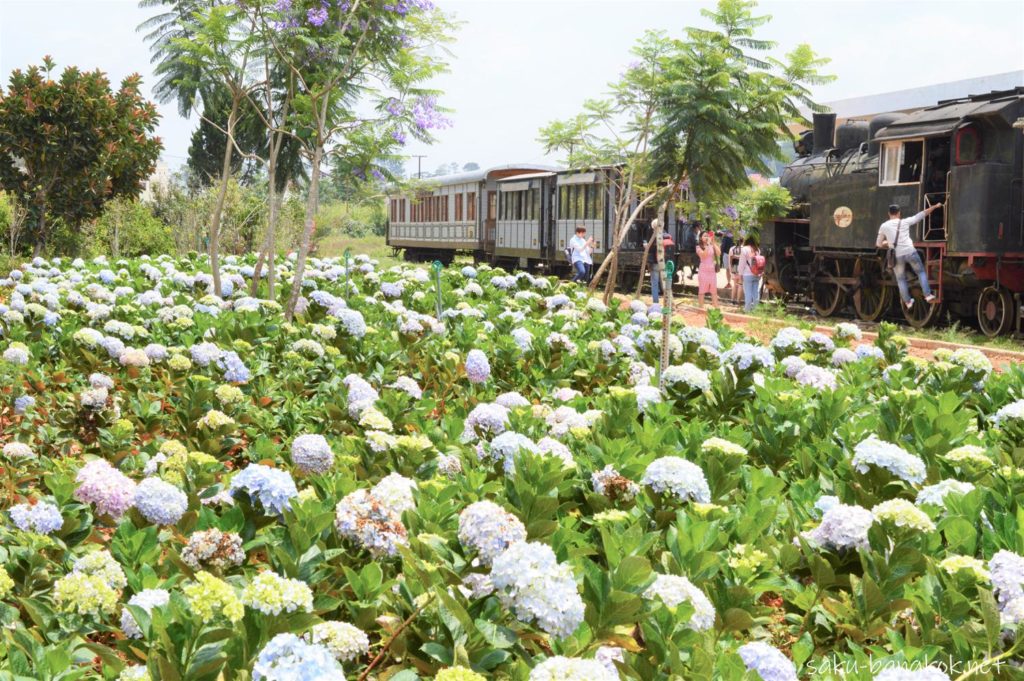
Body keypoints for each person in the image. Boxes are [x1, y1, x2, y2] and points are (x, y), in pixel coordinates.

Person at [876, 203, 942, 309]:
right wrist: (935, 207)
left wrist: (888, 242)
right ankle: (928, 295)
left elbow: (878, 244)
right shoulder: (905, 222)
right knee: (920, 272)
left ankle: (908, 302)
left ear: (889, 213)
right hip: (910, 252)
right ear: (899, 213)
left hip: (897, 256)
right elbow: (921, 215)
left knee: (901, 279)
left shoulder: (884, 226)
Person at [647, 225, 676, 305]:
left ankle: (656, 303)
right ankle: (668, 302)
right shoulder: (667, 236)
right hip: (666, 262)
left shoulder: (654, 237)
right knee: (666, 283)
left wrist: (649, 263)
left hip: (656, 263)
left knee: (655, 283)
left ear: (653, 227)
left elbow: (651, 251)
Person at [695, 230, 720, 308]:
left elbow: (719, 253)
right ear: (700, 238)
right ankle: (701, 308)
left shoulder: (712, 245)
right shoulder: (698, 247)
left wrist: (713, 243)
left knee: (714, 290)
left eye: (707, 236)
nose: (706, 237)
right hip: (703, 270)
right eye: (704, 236)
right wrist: (708, 245)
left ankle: (716, 308)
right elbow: (703, 255)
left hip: (712, 270)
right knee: (702, 290)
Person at [738, 236, 761, 312]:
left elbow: (742, 264)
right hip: (756, 274)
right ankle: (755, 310)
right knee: (755, 293)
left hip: (747, 274)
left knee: (748, 293)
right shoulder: (757, 250)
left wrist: (740, 274)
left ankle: (747, 310)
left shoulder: (744, 249)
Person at [728, 239, 744, 305]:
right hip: (741, 268)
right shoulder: (744, 249)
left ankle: (732, 300)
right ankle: (738, 301)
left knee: (735, 285)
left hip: (734, 268)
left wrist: (731, 269)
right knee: (740, 285)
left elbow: (730, 260)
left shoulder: (732, 249)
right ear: (743, 241)